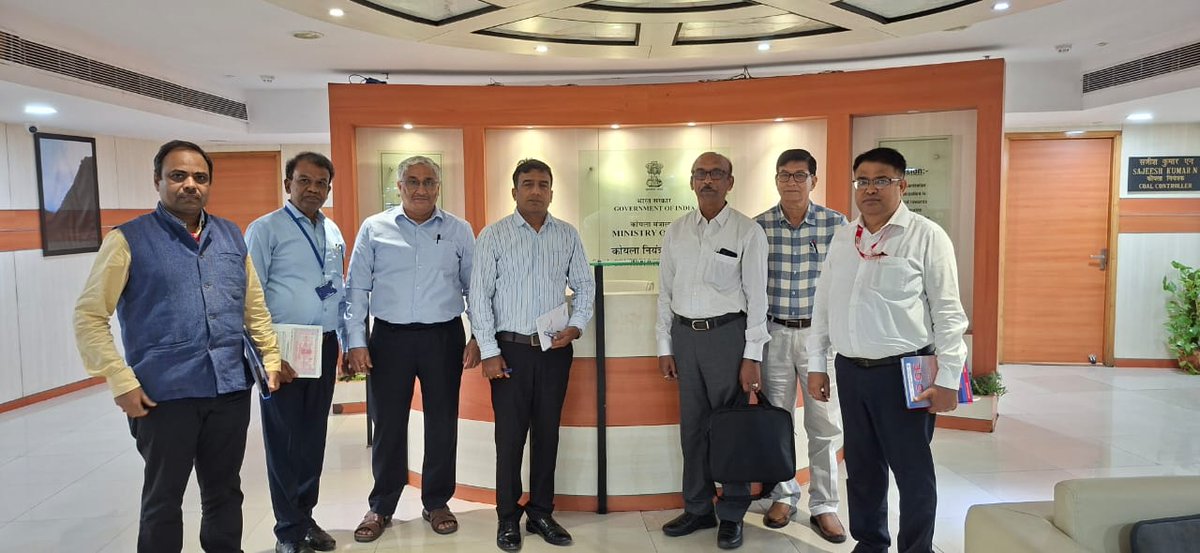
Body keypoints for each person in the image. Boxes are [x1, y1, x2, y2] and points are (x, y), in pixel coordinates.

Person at [74, 140, 281, 553]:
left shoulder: (230, 235)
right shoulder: (128, 240)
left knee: (225, 492)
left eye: (200, 177)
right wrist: (120, 380)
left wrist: (270, 357)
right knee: (163, 499)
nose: (190, 185)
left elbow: (253, 306)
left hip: (228, 389)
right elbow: (89, 315)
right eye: (178, 176)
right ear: (158, 180)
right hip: (163, 396)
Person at [807, 147, 968, 553]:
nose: (870, 189)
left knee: (912, 472)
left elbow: (949, 314)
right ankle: (871, 543)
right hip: (851, 370)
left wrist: (949, 378)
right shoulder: (844, 237)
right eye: (862, 181)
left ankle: (916, 548)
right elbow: (823, 304)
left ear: (902, 185)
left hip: (905, 373)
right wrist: (817, 363)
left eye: (882, 180)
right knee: (862, 468)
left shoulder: (926, 236)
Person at [343, 156, 480, 542]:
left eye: (429, 182)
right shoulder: (375, 228)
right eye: (413, 181)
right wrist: (356, 341)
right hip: (389, 338)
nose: (421, 189)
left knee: (442, 422)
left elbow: (474, 287)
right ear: (399, 186)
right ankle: (381, 505)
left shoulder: (458, 230)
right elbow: (357, 287)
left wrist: (477, 337)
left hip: (443, 337)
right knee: (387, 423)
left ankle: (436, 501)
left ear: (438, 187)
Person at [470, 158, 595, 552]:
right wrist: (489, 351)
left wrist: (576, 325)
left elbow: (585, 287)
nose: (536, 191)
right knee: (509, 439)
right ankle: (508, 516)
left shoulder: (567, 235)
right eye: (528, 184)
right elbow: (479, 297)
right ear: (514, 191)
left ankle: (541, 511)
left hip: (553, 351)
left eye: (543, 184)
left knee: (547, 434)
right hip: (509, 352)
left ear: (552, 192)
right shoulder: (494, 235)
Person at [657, 151, 769, 550]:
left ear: (729, 182)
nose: (708, 180)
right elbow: (664, 292)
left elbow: (758, 299)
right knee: (692, 429)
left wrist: (752, 356)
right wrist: (665, 345)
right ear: (691, 182)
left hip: (727, 337)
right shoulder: (677, 231)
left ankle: (733, 513)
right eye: (701, 174)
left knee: (730, 429)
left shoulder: (747, 231)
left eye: (716, 174)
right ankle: (698, 507)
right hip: (685, 337)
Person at [244, 152, 346, 553]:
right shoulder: (265, 229)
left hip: (322, 344)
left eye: (321, 183)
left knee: (312, 438)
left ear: (329, 189)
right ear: (288, 184)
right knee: (284, 441)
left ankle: (305, 518)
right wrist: (267, 354)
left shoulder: (332, 230)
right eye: (304, 180)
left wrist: (342, 340)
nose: (313, 189)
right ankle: (287, 531)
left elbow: (335, 288)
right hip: (281, 348)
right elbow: (249, 296)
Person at [752, 149, 848, 543]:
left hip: (818, 339)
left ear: (814, 180)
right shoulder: (758, 227)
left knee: (822, 423)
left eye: (800, 175)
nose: (791, 182)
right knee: (778, 421)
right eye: (784, 175)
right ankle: (784, 494)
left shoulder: (835, 224)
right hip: (774, 334)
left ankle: (825, 504)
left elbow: (845, 284)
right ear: (776, 180)